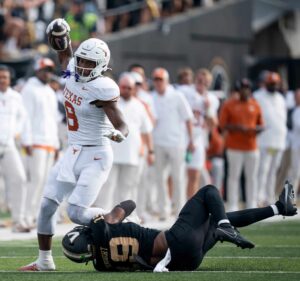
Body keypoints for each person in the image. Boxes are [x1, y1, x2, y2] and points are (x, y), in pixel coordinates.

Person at [19, 18, 129, 271]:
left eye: (90, 63)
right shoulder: (72, 71)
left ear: (101, 66)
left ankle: (115, 217)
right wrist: (61, 34)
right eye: (81, 60)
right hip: (73, 152)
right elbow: (65, 54)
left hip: (97, 155)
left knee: (77, 213)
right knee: (47, 205)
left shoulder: (102, 88)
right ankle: (45, 261)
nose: (83, 66)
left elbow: (121, 123)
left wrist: (120, 134)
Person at [62, 181, 297, 272]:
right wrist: (109, 215)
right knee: (208, 192)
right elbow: (129, 204)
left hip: (183, 263)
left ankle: (278, 208)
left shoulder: (101, 267)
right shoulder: (101, 226)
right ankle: (225, 226)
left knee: (218, 218)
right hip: (176, 241)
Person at [21, 57, 60, 229]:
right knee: (35, 181)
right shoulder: (29, 89)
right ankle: (26, 215)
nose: (48, 73)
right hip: (35, 141)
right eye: (45, 70)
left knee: (45, 182)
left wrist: (56, 143)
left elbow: (53, 120)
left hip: (49, 142)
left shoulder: (50, 91)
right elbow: (25, 117)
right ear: (37, 70)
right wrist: (27, 140)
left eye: (50, 70)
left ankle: (37, 215)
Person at [219, 79, 264, 210]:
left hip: (251, 146)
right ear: (239, 90)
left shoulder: (255, 105)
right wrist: (237, 127)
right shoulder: (229, 104)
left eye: (247, 88)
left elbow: (261, 125)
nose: (245, 90)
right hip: (234, 147)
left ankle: (252, 204)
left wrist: (255, 130)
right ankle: (232, 205)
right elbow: (222, 125)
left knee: (252, 177)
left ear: (250, 90)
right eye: (242, 88)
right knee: (233, 176)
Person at [0, 64, 31, 232]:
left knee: (19, 179)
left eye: (4, 77)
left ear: (9, 79)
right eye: (0, 77)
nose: (2, 80)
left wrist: (16, 132)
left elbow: (23, 118)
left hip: (9, 144)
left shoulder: (15, 97)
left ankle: (18, 221)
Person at [254, 72, 287, 206]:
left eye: (275, 84)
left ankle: (269, 196)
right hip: (264, 140)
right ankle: (258, 197)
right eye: (271, 83)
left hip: (279, 140)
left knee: (273, 170)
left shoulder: (280, 97)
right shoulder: (258, 96)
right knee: (263, 169)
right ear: (266, 83)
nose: (273, 86)